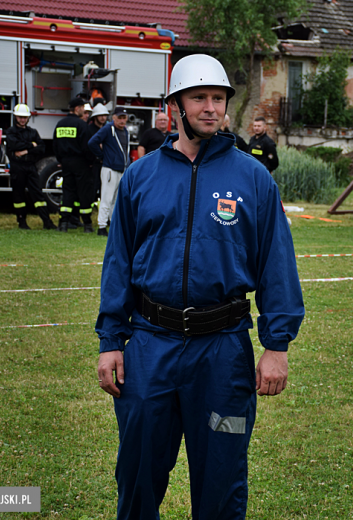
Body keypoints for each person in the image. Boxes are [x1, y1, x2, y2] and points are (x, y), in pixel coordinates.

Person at [95, 53, 304, 520]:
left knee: (221, 482)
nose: (210, 107)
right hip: (150, 346)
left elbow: (276, 265)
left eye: (218, 98)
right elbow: (118, 262)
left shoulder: (252, 178)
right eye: (199, 98)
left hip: (223, 352)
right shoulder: (140, 177)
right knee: (138, 474)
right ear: (176, 106)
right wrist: (112, 340)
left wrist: (277, 345)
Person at [5, 104, 57, 230]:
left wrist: (26, 151)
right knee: (18, 195)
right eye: (20, 117)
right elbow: (14, 145)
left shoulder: (33, 132)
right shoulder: (11, 132)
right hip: (17, 166)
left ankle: (47, 222)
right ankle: (22, 222)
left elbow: (41, 148)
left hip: (30, 166)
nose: (22, 119)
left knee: (37, 194)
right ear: (15, 117)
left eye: (25, 117)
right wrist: (31, 145)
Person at [53, 97, 94, 233]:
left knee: (68, 192)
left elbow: (55, 145)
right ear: (77, 109)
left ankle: (63, 223)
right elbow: (87, 147)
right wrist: (90, 162)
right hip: (80, 162)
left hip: (65, 162)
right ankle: (87, 224)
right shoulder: (81, 125)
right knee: (84, 193)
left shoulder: (60, 124)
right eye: (83, 108)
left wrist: (62, 160)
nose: (84, 110)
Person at [88, 106, 129, 237]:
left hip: (120, 169)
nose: (122, 121)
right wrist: (102, 156)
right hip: (110, 169)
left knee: (116, 200)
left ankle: (112, 223)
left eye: (124, 118)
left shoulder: (125, 131)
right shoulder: (108, 129)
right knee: (106, 198)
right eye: (120, 118)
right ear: (114, 118)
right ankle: (101, 226)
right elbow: (92, 142)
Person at [87, 103, 110, 202]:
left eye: (104, 115)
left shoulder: (108, 128)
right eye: (100, 116)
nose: (103, 118)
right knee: (92, 186)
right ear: (95, 117)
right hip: (93, 163)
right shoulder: (89, 129)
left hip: (105, 163)